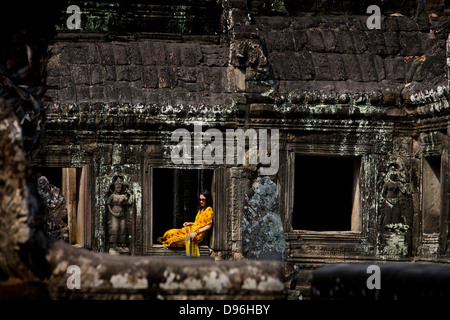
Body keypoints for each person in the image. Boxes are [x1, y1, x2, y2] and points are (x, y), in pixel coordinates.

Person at [157, 190, 213, 256]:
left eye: (203, 200)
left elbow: (209, 225)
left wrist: (196, 233)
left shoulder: (208, 210)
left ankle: (165, 242)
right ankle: (161, 239)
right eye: (200, 199)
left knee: (173, 241)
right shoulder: (201, 209)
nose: (201, 201)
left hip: (196, 235)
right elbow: (198, 223)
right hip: (190, 229)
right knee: (170, 233)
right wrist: (190, 223)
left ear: (207, 200)